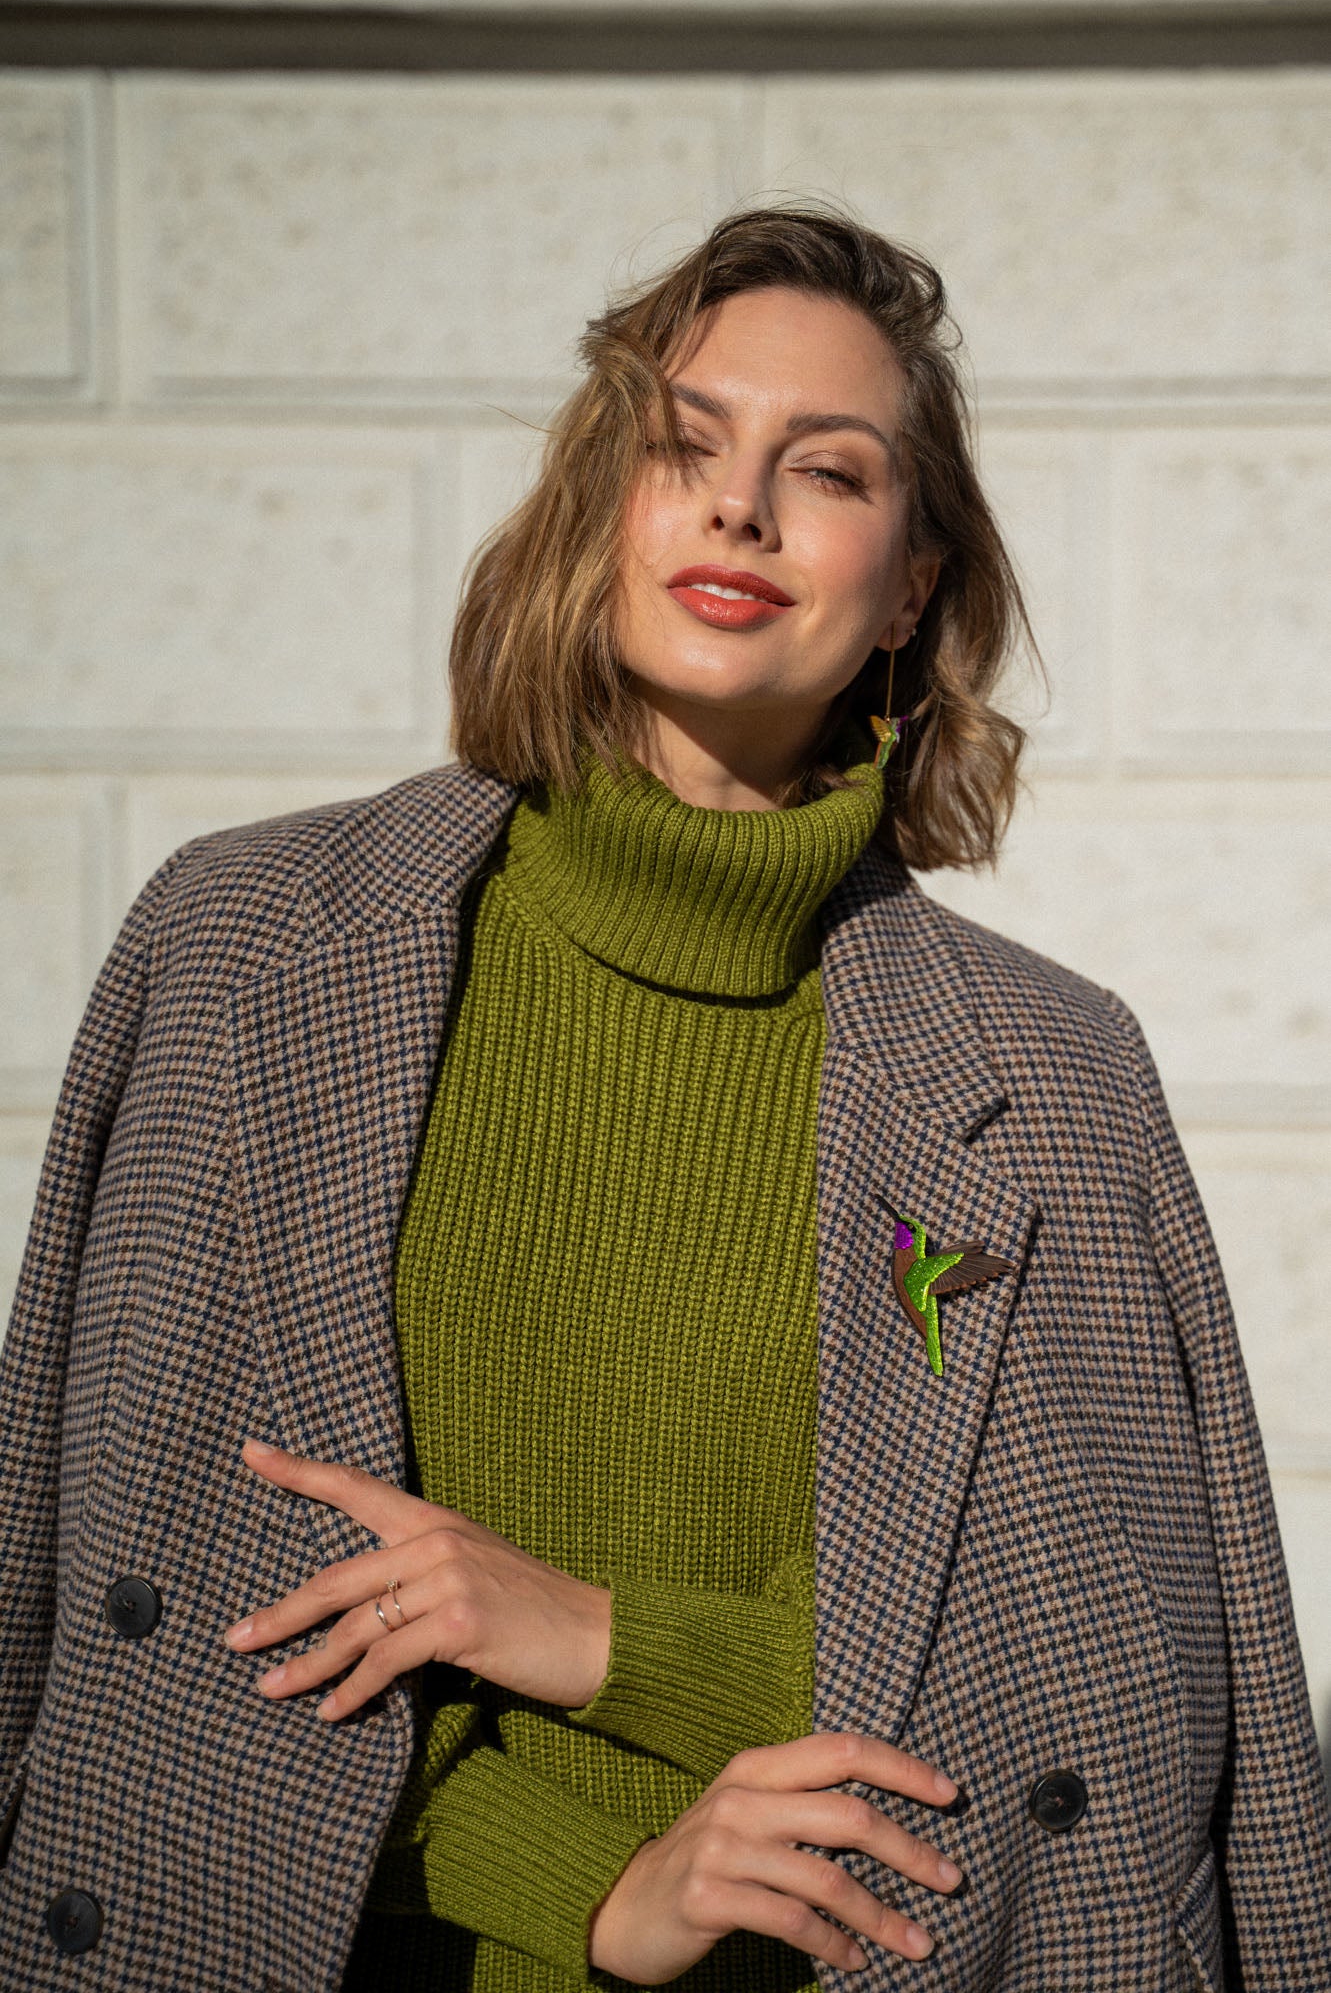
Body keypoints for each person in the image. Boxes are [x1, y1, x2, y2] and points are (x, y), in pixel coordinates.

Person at [0, 202, 1327, 1993]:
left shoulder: (1047, 1071)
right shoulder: (252, 950)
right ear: (597, 508)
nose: (741, 508)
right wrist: (589, 1875)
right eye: (682, 445)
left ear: (914, 583)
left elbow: (1114, 1689)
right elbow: (126, 1602)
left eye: (830, 470)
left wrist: (608, 1641)